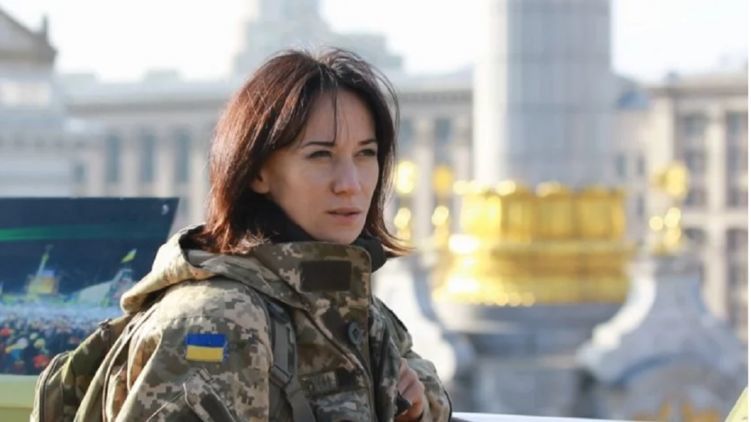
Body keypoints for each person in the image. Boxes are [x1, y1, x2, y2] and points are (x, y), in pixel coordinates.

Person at [99, 48, 452, 421]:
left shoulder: (349, 306)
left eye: (365, 154)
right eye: (320, 155)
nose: (351, 183)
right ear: (258, 172)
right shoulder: (218, 319)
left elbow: (424, 384)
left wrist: (417, 399)